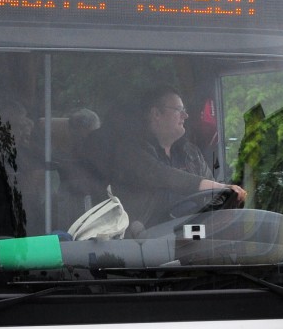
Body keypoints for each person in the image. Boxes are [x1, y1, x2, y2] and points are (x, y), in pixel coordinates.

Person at [100, 86, 246, 231]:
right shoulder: (130, 152)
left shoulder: (191, 152)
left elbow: (210, 195)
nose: (185, 116)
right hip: (147, 243)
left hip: (191, 236)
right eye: (179, 110)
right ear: (156, 114)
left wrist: (227, 202)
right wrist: (220, 188)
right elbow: (162, 175)